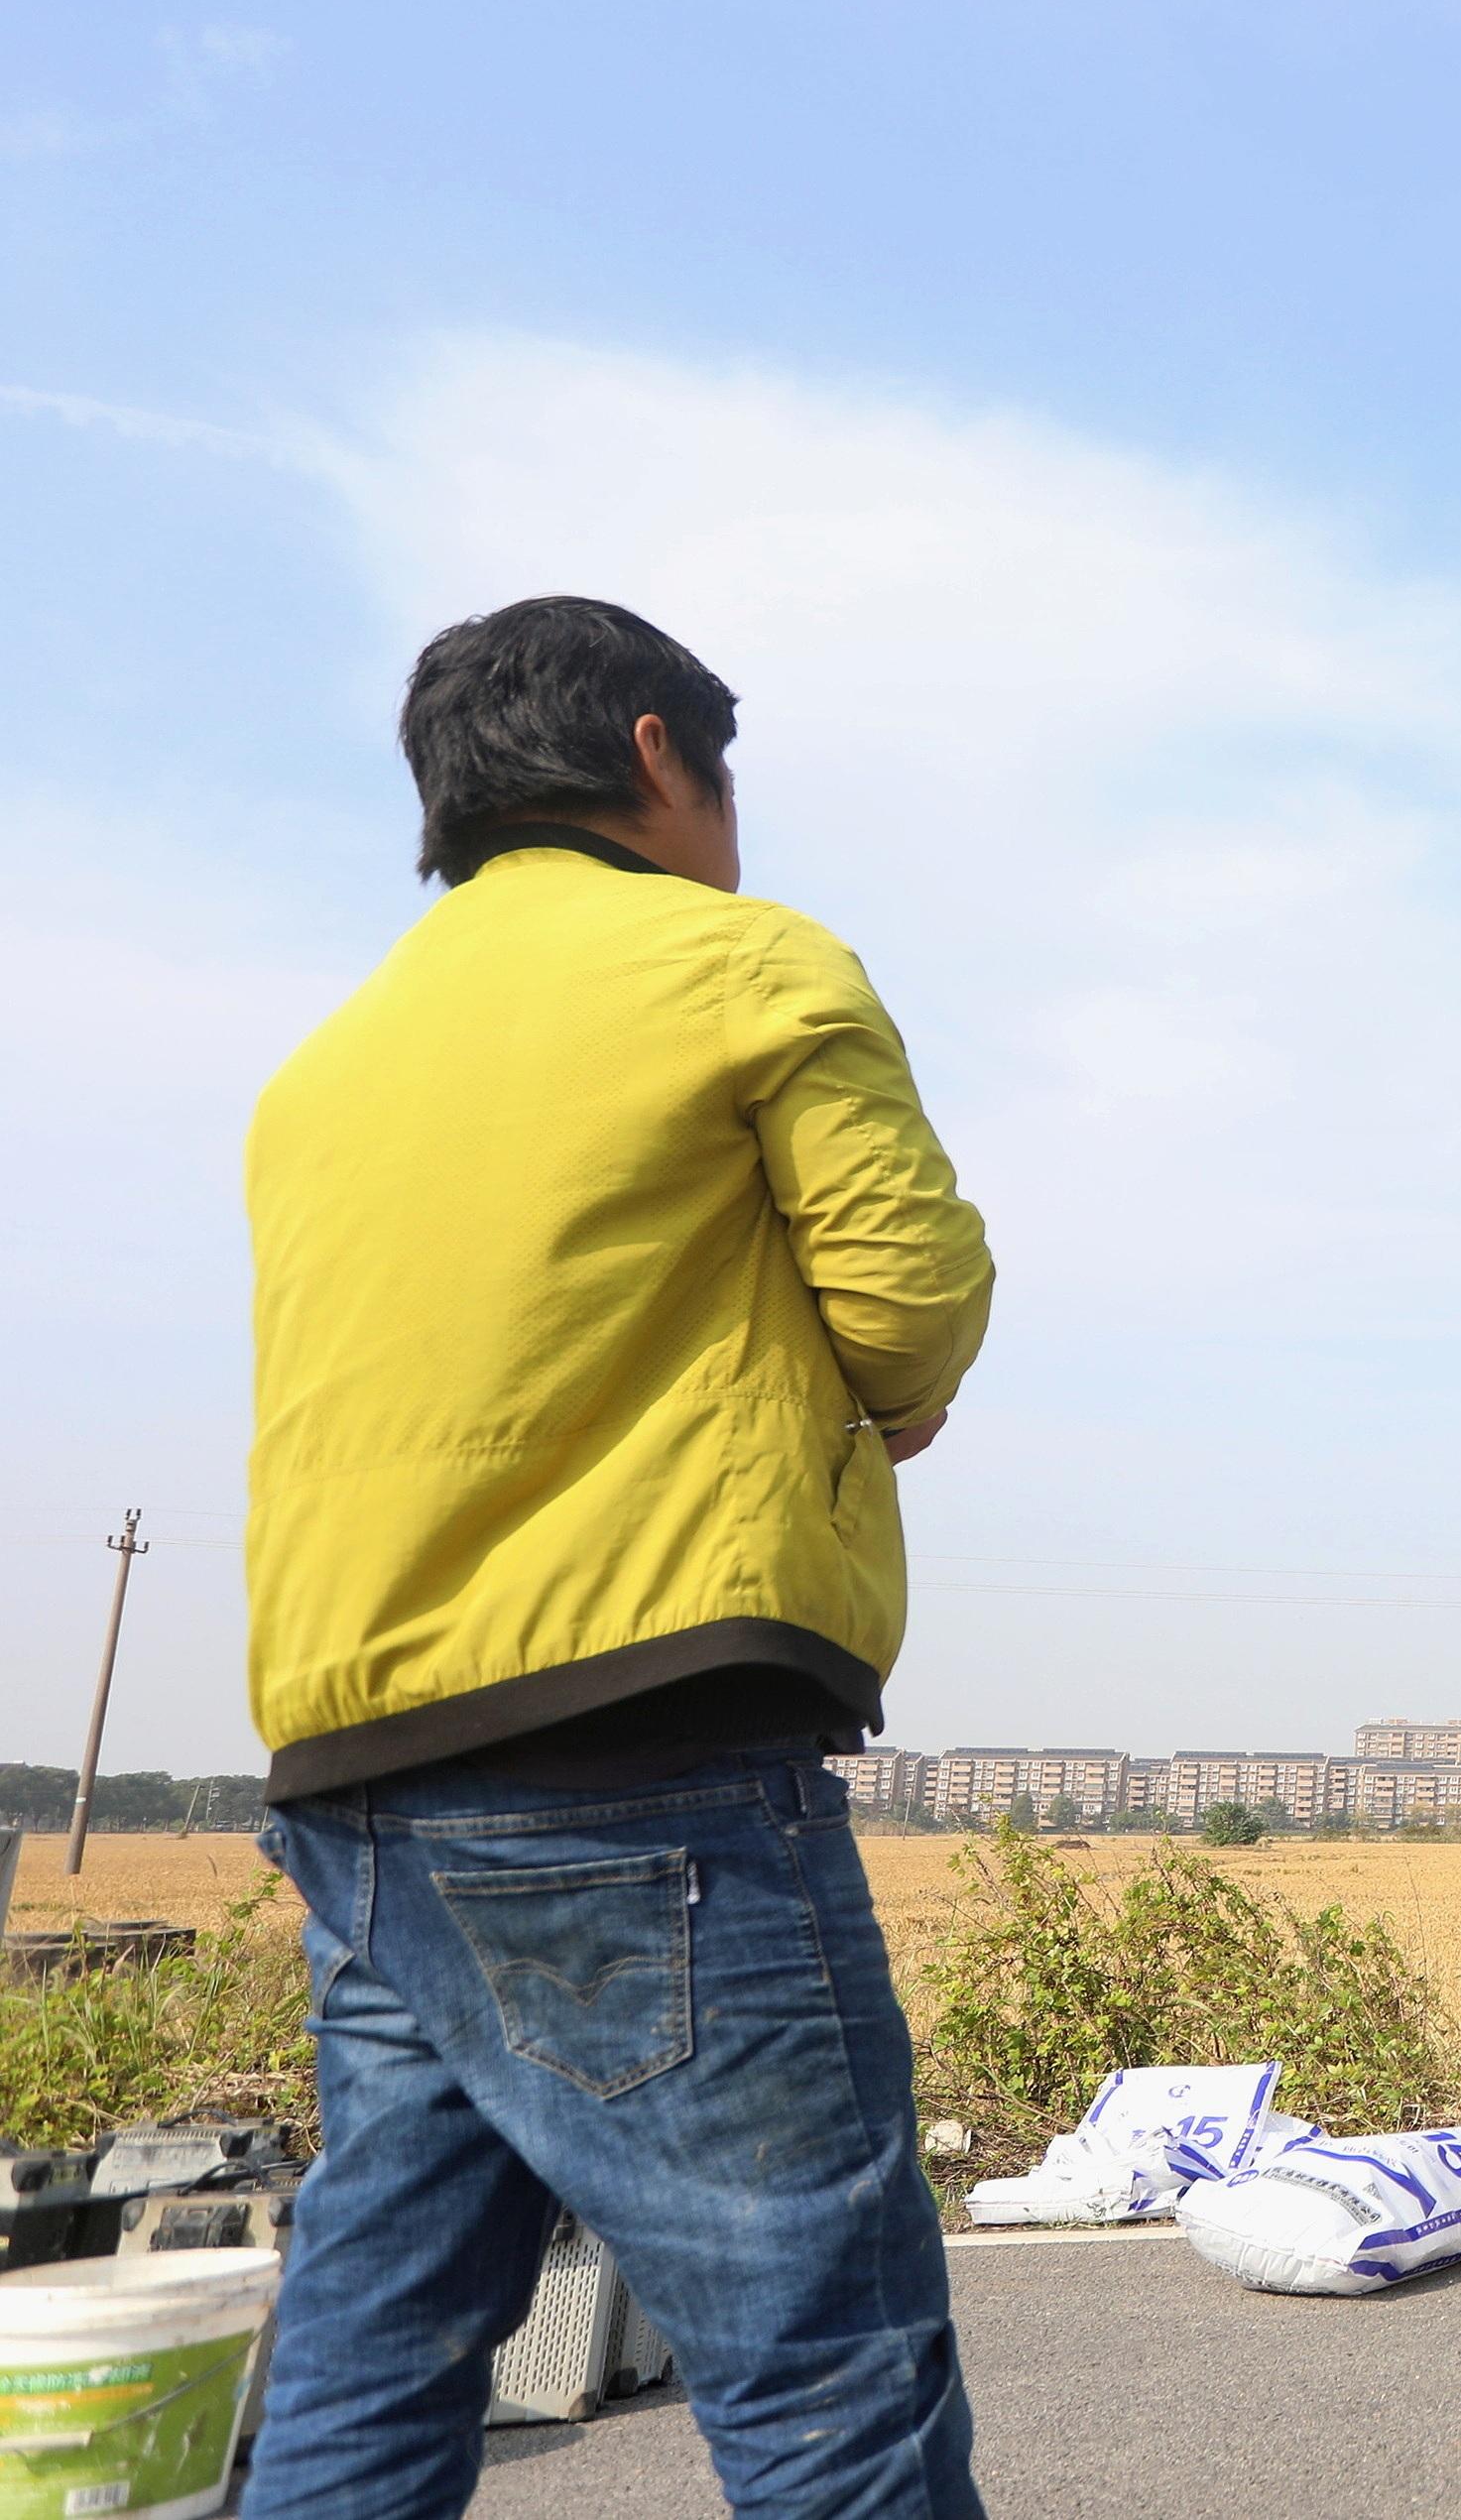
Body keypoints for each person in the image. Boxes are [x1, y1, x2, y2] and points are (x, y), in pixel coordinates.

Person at [239, 596, 995, 2518]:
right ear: (659, 754)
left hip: (363, 1778)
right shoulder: (734, 964)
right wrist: (885, 1396)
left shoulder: (329, 1060)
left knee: (371, 2357)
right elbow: (904, 1296)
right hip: (635, 1759)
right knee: (831, 2376)